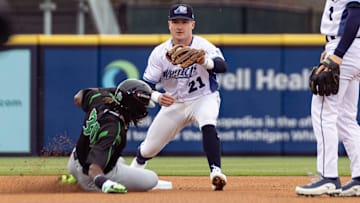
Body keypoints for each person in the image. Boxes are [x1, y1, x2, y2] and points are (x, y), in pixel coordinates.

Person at [130, 3, 228, 191]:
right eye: (175, 21)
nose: (180, 26)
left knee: (208, 122)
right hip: (174, 104)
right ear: (169, 25)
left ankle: (216, 172)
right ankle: (134, 172)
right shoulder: (159, 53)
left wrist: (204, 61)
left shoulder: (203, 46)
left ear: (193, 24)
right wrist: (158, 97)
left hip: (203, 97)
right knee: (149, 148)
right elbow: (145, 86)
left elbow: (222, 66)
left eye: (184, 21)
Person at [295, 0, 360, 197]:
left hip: (346, 47)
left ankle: (328, 177)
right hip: (347, 46)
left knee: (324, 111)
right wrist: (331, 47)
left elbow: (356, 14)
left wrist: (338, 54)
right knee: (346, 118)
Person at [67, 79, 159, 193]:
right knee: (152, 178)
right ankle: (82, 180)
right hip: (90, 177)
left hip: (74, 161)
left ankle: (74, 177)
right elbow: (93, 168)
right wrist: (104, 183)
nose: (144, 109)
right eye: (143, 105)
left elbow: (77, 98)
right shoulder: (113, 129)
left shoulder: (99, 98)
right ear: (133, 105)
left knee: (119, 161)